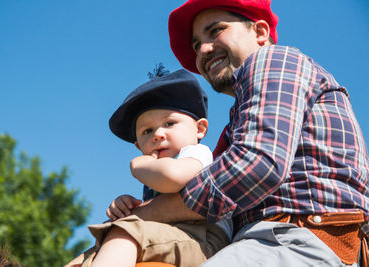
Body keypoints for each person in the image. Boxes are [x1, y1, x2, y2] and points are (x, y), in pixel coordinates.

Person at [125, 0, 369, 266]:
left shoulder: (273, 59)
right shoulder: (238, 119)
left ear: (260, 32)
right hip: (266, 241)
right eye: (197, 45)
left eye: (216, 30)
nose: (204, 49)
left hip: (298, 236)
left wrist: (143, 215)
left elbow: (258, 164)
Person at [69, 69, 232, 267]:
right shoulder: (155, 169)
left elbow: (173, 177)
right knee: (89, 255)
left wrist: (139, 165)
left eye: (169, 123)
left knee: (124, 233)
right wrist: (127, 204)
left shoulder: (196, 153)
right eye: (147, 131)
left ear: (199, 129)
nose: (158, 134)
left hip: (203, 239)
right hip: (169, 235)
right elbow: (156, 205)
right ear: (139, 145)